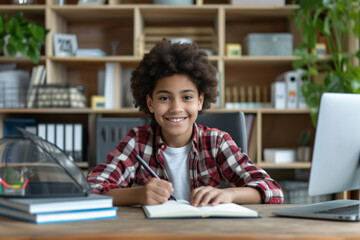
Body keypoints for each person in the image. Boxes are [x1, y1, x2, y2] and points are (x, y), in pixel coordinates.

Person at [87, 39, 284, 206]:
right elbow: (92, 188)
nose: (176, 108)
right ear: (150, 103)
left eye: (187, 97)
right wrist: (138, 194)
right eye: (164, 98)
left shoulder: (216, 142)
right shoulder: (138, 141)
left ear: (200, 101)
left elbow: (273, 190)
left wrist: (229, 194)